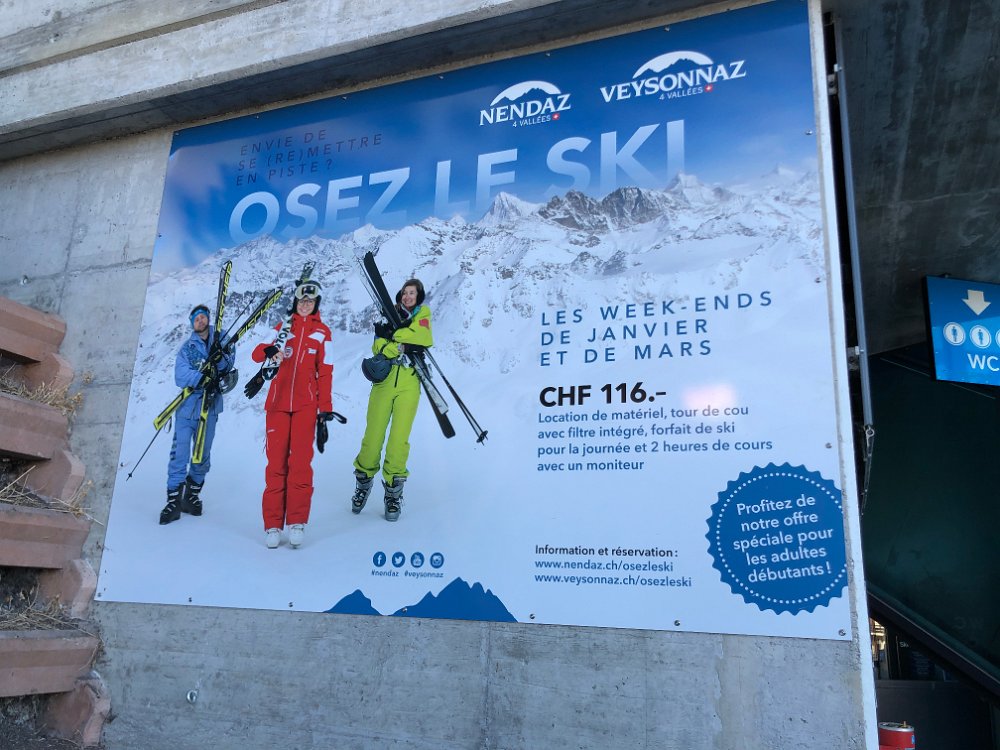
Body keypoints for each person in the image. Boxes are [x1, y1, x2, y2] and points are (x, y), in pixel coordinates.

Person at [251, 278, 334, 549]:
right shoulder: (282, 328)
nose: (305, 305)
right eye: (302, 301)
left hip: (305, 407)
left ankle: (297, 522)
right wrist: (270, 350)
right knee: (276, 466)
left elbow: (326, 373)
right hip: (277, 405)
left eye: (310, 301)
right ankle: (273, 525)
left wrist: (325, 410)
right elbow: (256, 354)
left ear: (316, 304)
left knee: (300, 465)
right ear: (296, 303)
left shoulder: (323, 333)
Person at [351, 278, 432, 521]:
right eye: (405, 292)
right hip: (384, 382)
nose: (408, 296)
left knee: (399, 440)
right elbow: (378, 347)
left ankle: (393, 493)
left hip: (409, 382)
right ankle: (363, 483)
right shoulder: (387, 314)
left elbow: (424, 337)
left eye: (412, 293)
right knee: (373, 436)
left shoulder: (423, 314)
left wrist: (395, 337)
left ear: (418, 297)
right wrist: (400, 346)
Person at [160, 304, 235, 525]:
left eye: (202, 317)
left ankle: (191, 496)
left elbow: (229, 364)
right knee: (179, 454)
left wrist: (219, 359)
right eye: (196, 319)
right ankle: (173, 501)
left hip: (209, 408)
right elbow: (180, 375)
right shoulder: (187, 348)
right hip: (187, 409)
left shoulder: (222, 339)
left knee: (202, 455)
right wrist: (202, 378)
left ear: (208, 319)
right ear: (192, 324)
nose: (200, 321)